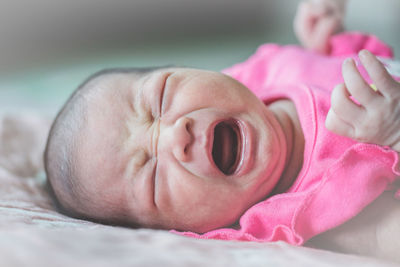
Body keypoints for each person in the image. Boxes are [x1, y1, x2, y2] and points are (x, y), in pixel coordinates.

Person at [44, 0, 400, 262]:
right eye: (152, 180)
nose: (175, 137)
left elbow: (348, 71)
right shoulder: (319, 212)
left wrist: (326, 45)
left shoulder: (261, 73)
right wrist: (393, 137)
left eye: (162, 96)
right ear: (188, 232)